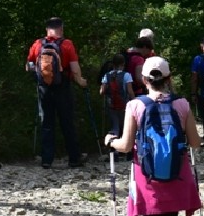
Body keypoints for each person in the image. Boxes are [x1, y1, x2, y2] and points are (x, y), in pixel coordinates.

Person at [106, 56, 202, 216]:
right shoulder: (182, 104)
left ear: (144, 80)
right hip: (176, 170)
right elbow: (195, 142)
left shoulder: (135, 105)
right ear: (168, 78)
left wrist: (111, 141)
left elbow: (126, 146)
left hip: (146, 172)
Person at [26, 17, 87, 168]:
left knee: (46, 122)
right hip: (63, 87)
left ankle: (47, 160)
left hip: (44, 88)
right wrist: (81, 81)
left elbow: (28, 66)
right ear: (61, 28)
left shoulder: (38, 44)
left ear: (47, 29)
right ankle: (74, 158)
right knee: (67, 122)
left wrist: (41, 74)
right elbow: (74, 68)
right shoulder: (67, 44)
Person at [100, 53, 133, 156]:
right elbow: (130, 91)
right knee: (126, 126)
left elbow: (101, 91)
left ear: (113, 64)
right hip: (124, 105)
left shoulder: (107, 75)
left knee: (115, 127)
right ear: (123, 64)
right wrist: (134, 100)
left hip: (111, 105)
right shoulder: (126, 75)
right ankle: (126, 151)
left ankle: (114, 151)